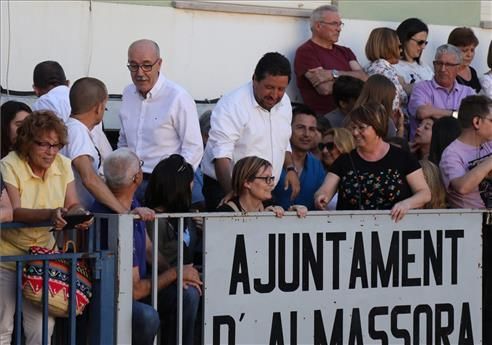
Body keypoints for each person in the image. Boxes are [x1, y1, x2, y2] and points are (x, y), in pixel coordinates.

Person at [91, 148, 201, 345]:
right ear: (137, 178)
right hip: (112, 296)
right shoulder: (111, 214)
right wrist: (175, 273)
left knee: (188, 294)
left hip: (138, 288)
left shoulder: (134, 203)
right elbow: (134, 291)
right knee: (147, 316)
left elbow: (150, 250)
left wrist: (178, 275)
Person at [0, 110, 91, 344]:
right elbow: (15, 211)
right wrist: (51, 215)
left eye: (57, 145)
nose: (51, 152)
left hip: (43, 257)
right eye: (44, 145)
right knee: (3, 327)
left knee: (42, 328)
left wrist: (79, 215)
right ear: (28, 142)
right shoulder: (9, 164)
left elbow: (72, 203)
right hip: (7, 257)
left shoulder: (63, 163)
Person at [202, 52, 300, 210]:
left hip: (264, 189)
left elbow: (283, 141)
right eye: (269, 87)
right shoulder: (232, 105)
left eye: (281, 89)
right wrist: (235, 198)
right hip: (225, 186)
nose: (275, 95)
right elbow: (221, 156)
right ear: (254, 79)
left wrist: (290, 168)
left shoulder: (285, 102)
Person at [117, 39, 203, 202]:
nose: (140, 73)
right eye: (133, 66)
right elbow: (123, 141)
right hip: (131, 183)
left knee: (164, 228)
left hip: (167, 185)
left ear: (159, 64)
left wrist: (178, 181)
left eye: (147, 65)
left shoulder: (178, 97)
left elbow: (193, 147)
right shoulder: (128, 93)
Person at [314, 102, 430, 222]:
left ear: (377, 126)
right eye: (353, 127)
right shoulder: (344, 161)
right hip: (353, 231)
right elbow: (325, 190)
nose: (355, 133)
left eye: (361, 128)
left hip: (395, 230)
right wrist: (321, 197)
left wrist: (406, 204)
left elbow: (424, 193)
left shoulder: (403, 158)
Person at [61, 77, 127, 213]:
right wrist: (123, 212)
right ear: (98, 107)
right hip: (75, 217)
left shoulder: (71, 129)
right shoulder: (77, 132)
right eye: (105, 107)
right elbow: (89, 178)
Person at [31, 61, 112, 166]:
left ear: (35, 90)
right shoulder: (83, 94)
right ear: (68, 83)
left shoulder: (41, 105)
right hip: (104, 163)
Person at [294, 5, 367, 116]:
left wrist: (333, 74)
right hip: (326, 120)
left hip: (354, 117)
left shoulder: (345, 51)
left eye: (340, 24)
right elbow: (325, 89)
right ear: (318, 26)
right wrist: (355, 81)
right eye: (334, 24)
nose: (339, 29)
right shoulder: (306, 52)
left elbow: (365, 78)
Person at [407, 44, 475, 140]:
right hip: (425, 151)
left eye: (448, 65)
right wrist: (455, 114)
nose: (443, 69)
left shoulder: (468, 92)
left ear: (458, 68)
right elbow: (422, 112)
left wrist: (433, 112)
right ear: (434, 65)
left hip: (458, 150)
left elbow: (473, 120)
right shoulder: (421, 88)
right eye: (439, 63)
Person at [440, 95, 492, 209]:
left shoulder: (489, 142)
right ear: (477, 122)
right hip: (473, 223)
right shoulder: (451, 154)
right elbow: (462, 187)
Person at [272, 105, 326, 210]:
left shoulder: (317, 166)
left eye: (311, 129)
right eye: (300, 127)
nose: (306, 134)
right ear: (288, 129)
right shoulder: (272, 159)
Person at [217, 156, 307, 217]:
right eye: (266, 178)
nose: (271, 183)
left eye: (271, 178)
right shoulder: (224, 214)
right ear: (247, 183)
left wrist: (293, 216)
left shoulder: (273, 209)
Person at [364, 27, 408, 122]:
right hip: (390, 124)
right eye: (399, 47)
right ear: (388, 47)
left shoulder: (370, 67)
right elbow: (394, 104)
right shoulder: (383, 69)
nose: (401, 51)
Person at [318, 127, 355, 210]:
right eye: (322, 146)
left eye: (330, 146)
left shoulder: (356, 176)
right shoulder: (317, 174)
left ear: (344, 146)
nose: (324, 151)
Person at [395, 18, 434, 87]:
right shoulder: (392, 67)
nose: (423, 47)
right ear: (405, 39)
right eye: (420, 42)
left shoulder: (425, 67)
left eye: (425, 43)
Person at [448, 27, 481, 93]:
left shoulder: (472, 71)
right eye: (465, 50)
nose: (469, 55)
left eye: (472, 50)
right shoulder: (447, 74)